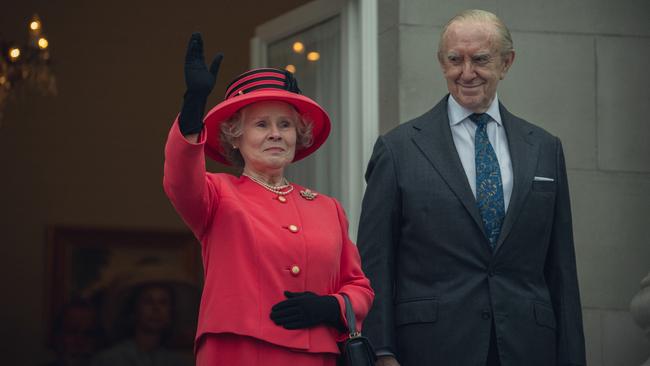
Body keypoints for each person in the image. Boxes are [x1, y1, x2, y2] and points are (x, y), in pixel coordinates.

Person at [357, 9, 585, 366]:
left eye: (480, 59)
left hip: (528, 347)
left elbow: (561, 268)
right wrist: (381, 351)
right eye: (454, 60)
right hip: (430, 348)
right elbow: (375, 261)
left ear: (506, 63)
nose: (466, 73)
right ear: (441, 62)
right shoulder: (398, 149)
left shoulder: (544, 147)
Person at [163, 33, 374, 366]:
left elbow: (358, 285)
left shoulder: (327, 208)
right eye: (261, 124)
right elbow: (179, 180)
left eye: (285, 124)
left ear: (298, 135)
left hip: (316, 357)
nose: (276, 133)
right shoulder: (217, 195)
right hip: (238, 353)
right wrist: (193, 106)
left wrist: (332, 306)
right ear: (235, 137)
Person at [91, 265, 195, 366]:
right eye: (148, 301)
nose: (156, 308)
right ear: (134, 309)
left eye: (163, 302)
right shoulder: (109, 360)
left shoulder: (177, 362)